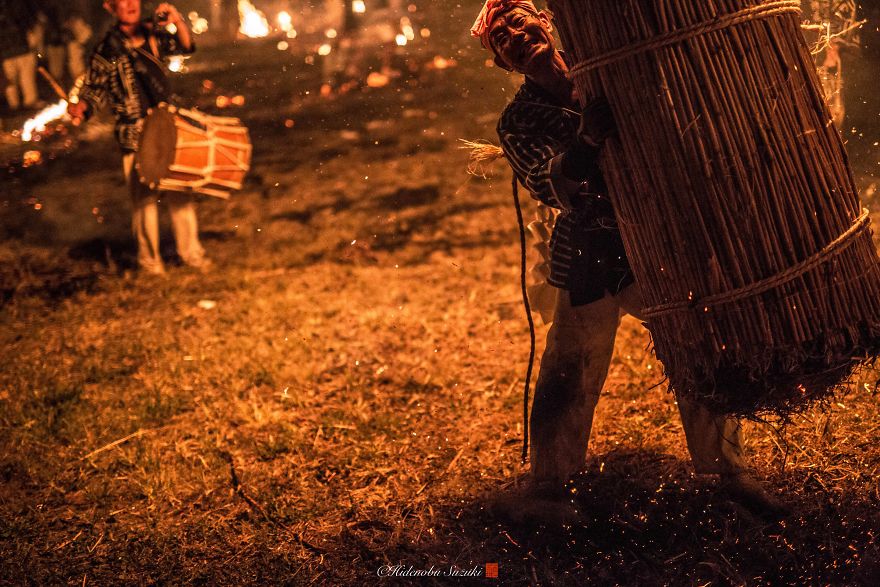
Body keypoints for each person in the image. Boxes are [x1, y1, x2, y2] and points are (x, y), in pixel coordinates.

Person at [471, 0, 786, 516]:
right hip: (590, 250)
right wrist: (588, 139)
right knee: (569, 364)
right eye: (501, 38)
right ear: (504, 64)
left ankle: (729, 473)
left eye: (519, 22)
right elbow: (551, 186)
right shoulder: (519, 120)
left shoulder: (609, 66)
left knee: (698, 346)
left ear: (544, 21)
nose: (514, 35)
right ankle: (548, 487)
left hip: (655, 240)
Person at [68, 0, 209, 274]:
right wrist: (81, 107)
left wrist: (177, 20)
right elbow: (94, 89)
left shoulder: (153, 33)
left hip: (166, 126)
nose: (131, 4)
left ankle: (192, 253)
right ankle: (150, 262)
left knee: (180, 192)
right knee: (144, 202)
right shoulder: (107, 49)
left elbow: (186, 46)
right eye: (123, 1)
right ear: (111, 8)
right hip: (133, 133)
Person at [1, 0, 39, 111]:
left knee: (11, 77)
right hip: (20, 45)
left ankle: (14, 104)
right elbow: (27, 18)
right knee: (25, 75)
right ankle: (29, 101)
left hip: (6, 48)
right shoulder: (17, 4)